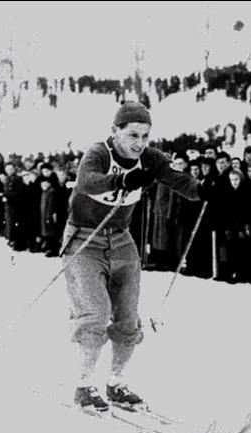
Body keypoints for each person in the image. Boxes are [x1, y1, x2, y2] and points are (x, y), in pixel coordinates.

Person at [63, 102, 209, 412]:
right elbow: (87, 180)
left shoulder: (150, 158)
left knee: (128, 317)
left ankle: (116, 382)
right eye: (132, 135)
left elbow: (177, 179)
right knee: (96, 314)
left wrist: (204, 190)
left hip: (121, 240)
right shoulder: (99, 153)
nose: (139, 143)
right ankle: (83, 384)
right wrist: (120, 180)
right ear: (115, 131)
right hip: (84, 240)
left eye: (145, 135)